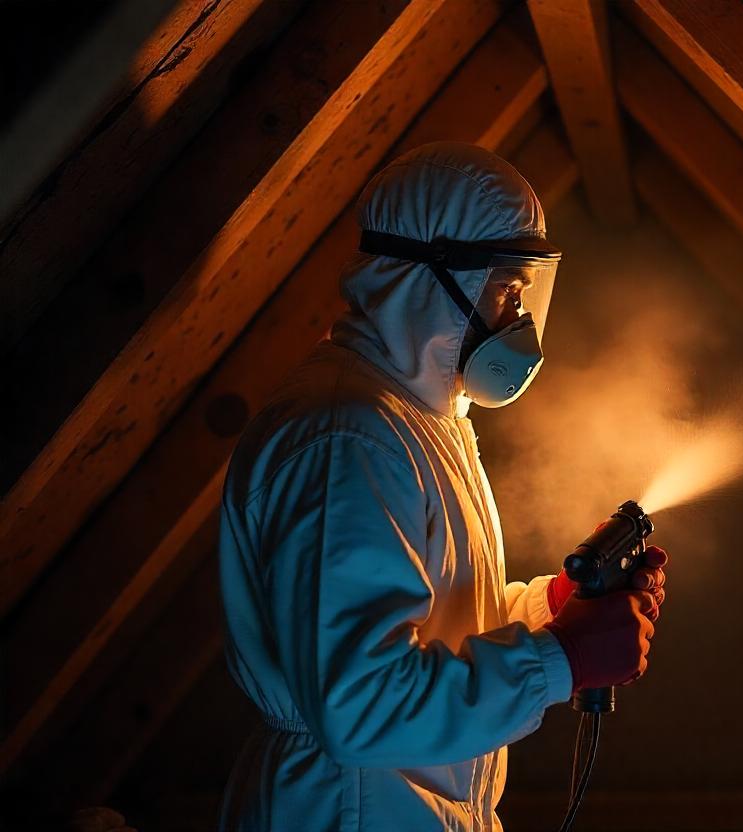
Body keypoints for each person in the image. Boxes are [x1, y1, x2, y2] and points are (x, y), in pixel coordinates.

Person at [217, 142, 668, 831]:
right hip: (350, 812)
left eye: (523, 292)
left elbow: (436, 631)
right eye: (506, 290)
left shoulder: (417, 421)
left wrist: (555, 609)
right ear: (428, 282)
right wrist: (561, 659)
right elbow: (362, 701)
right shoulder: (350, 435)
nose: (518, 319)